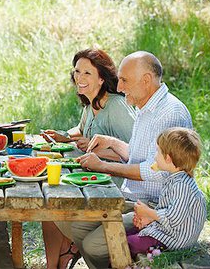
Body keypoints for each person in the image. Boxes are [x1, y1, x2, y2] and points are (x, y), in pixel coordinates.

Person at [71, 51, 193, 269]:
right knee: (74, 223)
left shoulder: (170, 114)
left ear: (146, 80)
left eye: (124, 81)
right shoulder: (145, 108)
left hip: (157, 209)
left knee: (94, 245)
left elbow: (158, 170)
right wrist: (112, 142)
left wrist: (105, 166)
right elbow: (141, 156)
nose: (118, 88)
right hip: (131, 198)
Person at [41, 49, 137, 268]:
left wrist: (95, 150)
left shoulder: (116, 106)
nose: (79, 78)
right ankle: (56, 262)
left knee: (54, 206)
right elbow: (81, 131)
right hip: (92, 180)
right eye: (77, 72)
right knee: (49, 202)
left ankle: (67, 252)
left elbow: (135, 152)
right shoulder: (91, 103)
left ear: (102, 78)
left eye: (87, 73)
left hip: (114, 186)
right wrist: (64, 137)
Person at [128, 127, 206, 258]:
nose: (155, 156)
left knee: (126, 243)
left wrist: (148, 212)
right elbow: (169, 210)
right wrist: (149, 219)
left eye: (158, 152)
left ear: (168, 158)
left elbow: (174, 219)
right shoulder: (175, 179)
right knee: (126, 233)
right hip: (168, 232)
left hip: (174, 240)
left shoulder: (182, 185)